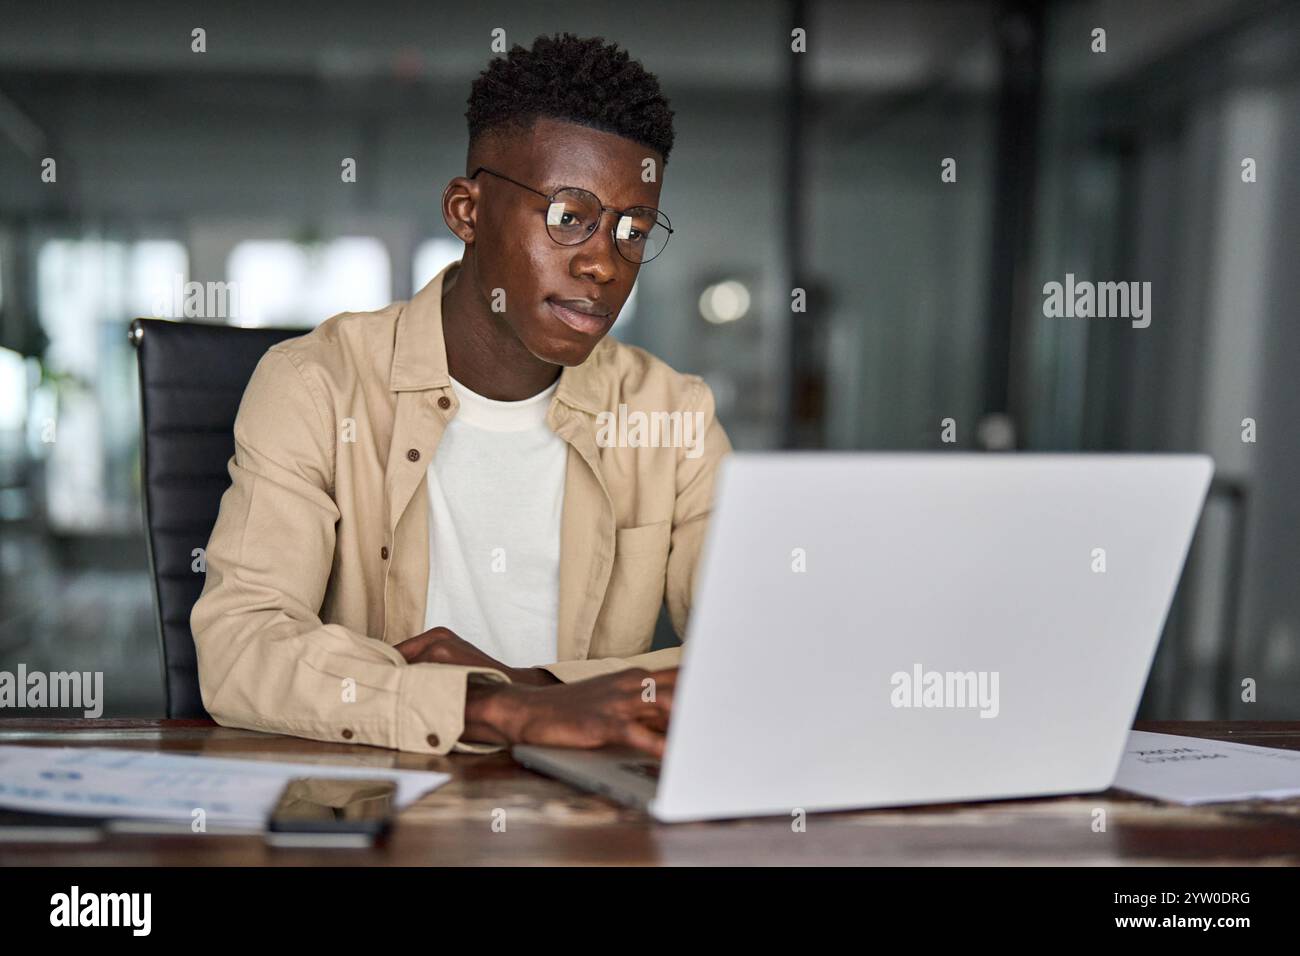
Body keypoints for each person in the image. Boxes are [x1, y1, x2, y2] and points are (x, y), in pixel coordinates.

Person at [191, 33, 730, 759]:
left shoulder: (673, 416)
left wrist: (527, 689)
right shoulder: (316, 384)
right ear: (467, 211)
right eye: (569, 216)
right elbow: (241, 649)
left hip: (587, 824)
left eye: (632, 230)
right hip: (377, 808)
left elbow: (761, 653)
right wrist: (495, 712)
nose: (604, 262)